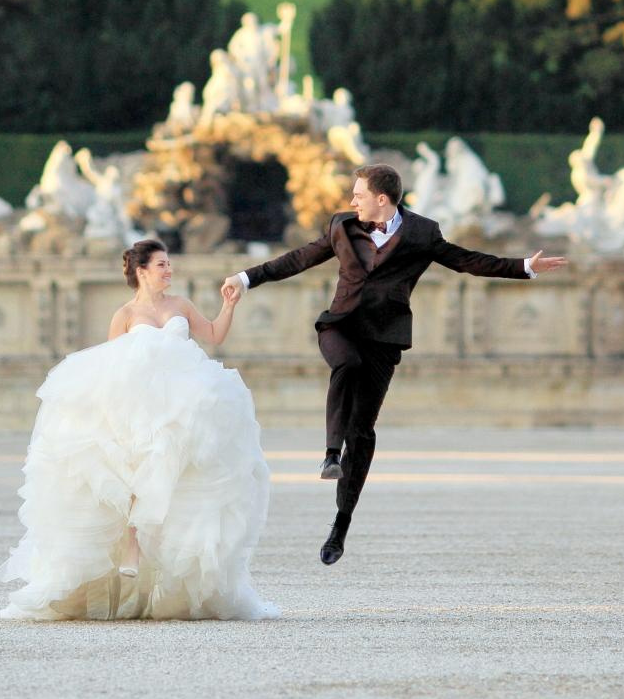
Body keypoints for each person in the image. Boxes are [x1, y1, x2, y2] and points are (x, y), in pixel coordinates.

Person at [222, 164, 567, 566]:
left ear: (381, 199)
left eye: (358, 195)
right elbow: (298, 259)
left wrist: (525, 266)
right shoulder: (341, 226)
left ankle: (340, 526)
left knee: (363, 432)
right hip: (340, 326)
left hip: (384, 339)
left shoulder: (422, 233)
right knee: (346, 364)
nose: (352, 201)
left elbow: (467, 261)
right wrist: (246, 278)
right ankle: (331, 454)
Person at [0, 239, 277, 621]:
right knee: (133, 471)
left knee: (183, 480)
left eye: (168, 264)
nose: (168, 270)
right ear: (141, 271)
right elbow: (111, 367)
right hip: (138, 405)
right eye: (161, 265)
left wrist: (229, 305)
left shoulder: (181, 306)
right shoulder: (125, 314)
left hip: (180, 403)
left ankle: (172, 579)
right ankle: (131, 543)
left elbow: (212, 336)